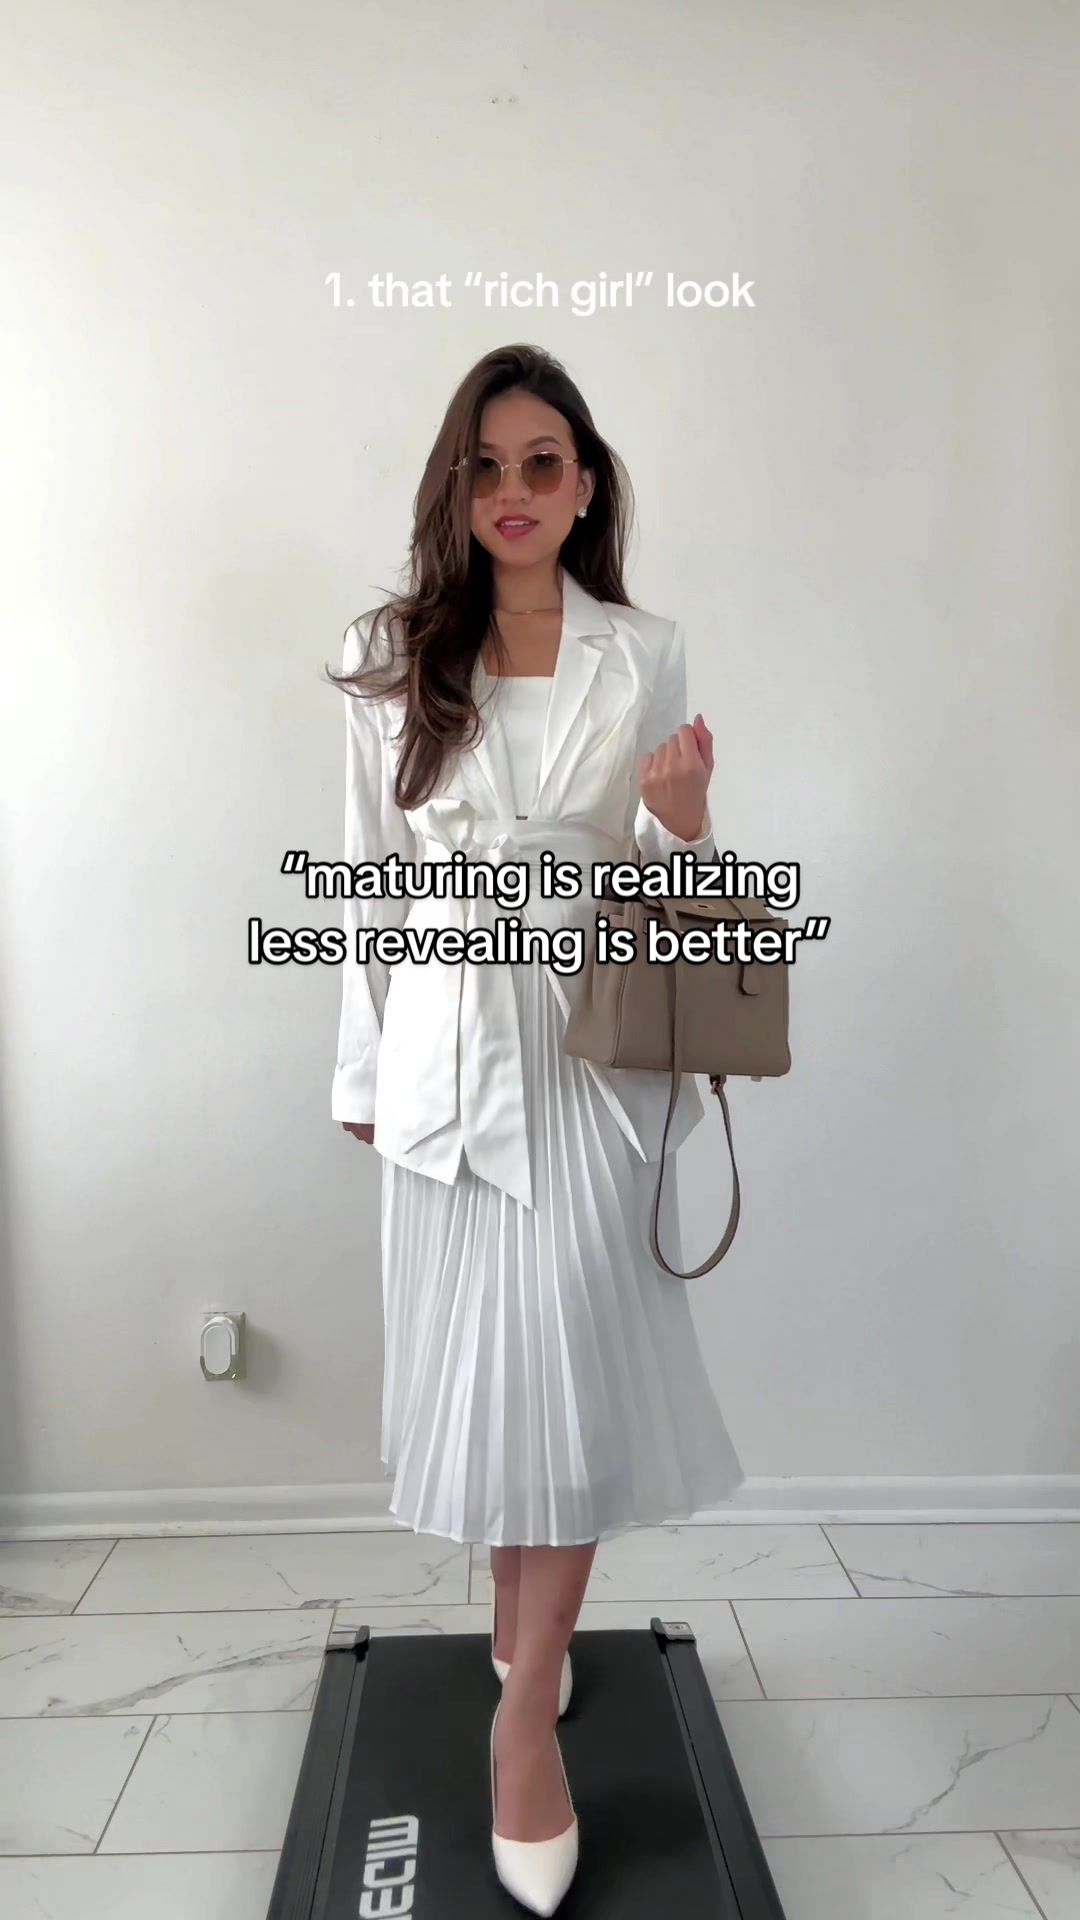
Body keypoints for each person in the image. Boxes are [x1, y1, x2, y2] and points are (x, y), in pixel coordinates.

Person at [329, 343, 745, 1913]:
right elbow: (366, 876)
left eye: (543, 463)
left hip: (587, 1053)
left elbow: (664, 878)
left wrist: (686, 827)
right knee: (485, 1361)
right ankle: (521, 1631)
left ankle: (523, 1720)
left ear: (586, 486)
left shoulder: (645, 651)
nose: (515, 491)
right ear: (457, 486)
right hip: (444, 1059)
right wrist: (362, 1072)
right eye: (487, 465)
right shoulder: (387, 655)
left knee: (567, 1352)